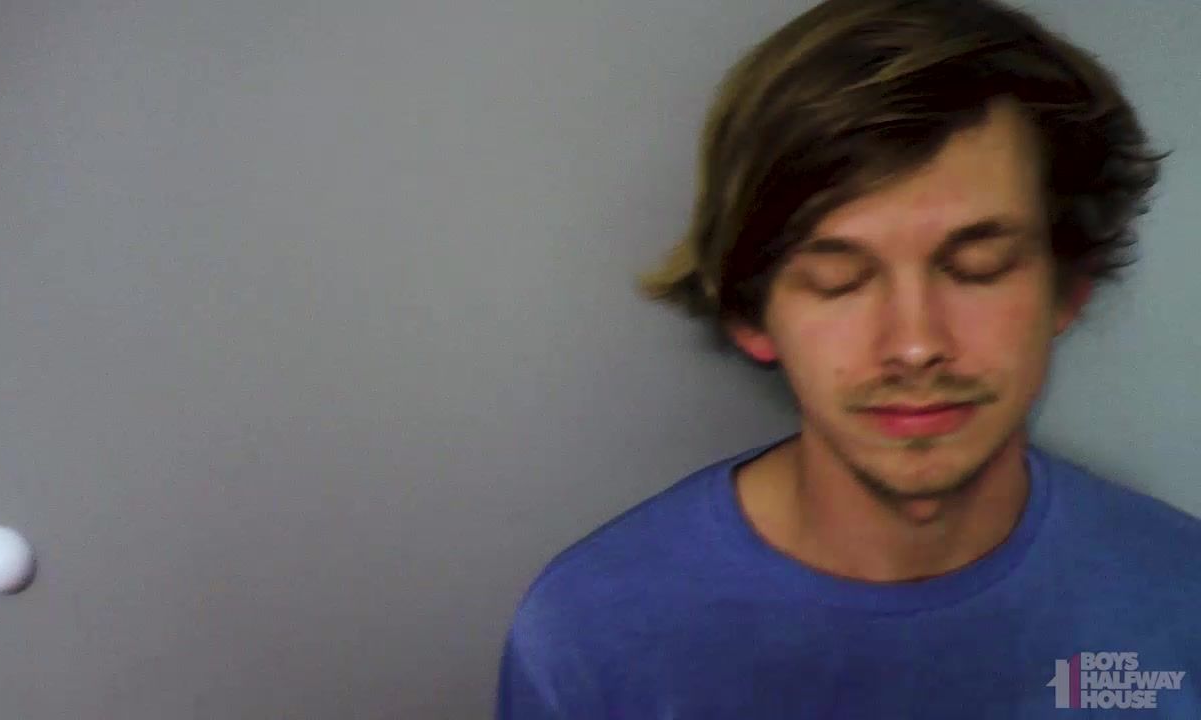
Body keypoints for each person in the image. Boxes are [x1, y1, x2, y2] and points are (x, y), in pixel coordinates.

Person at [496, 0, 1201, 717]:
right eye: (839, 278)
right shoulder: (590, 638)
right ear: (750, 313)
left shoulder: (1183, 602)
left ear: (1068, 287)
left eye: (978, 268)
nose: (915, 344)